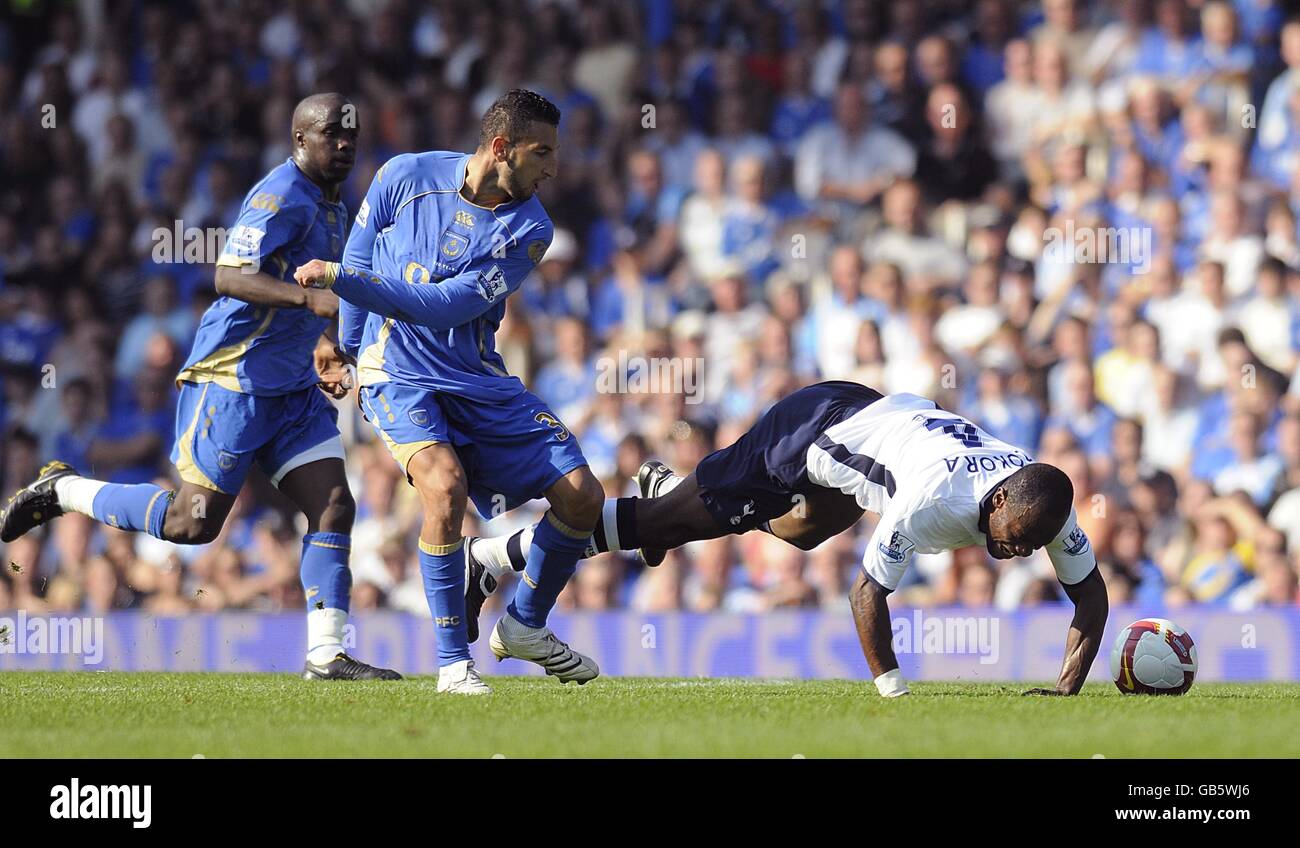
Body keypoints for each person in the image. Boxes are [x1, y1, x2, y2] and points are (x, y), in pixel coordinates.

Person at [0, 94, 400, 682]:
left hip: (289, 389)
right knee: (192, 524)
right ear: (298, 140)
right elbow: (228, 275)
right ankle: (64, 490)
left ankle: (325, 655)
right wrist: (308, 298)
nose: (344, 145)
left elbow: (308, 299)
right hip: (232, 378)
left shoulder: (337, 206)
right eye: (330, 136)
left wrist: (322, 345)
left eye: (351, 136)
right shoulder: (280, 194)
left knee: (334, 504)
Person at [470, 381, 1108, 697]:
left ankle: (664, 492)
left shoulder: (1042, 503)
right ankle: (491, 556)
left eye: (1030, 545)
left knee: (803, 534)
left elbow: (1092, 597)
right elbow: (866, 594)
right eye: (1015, 538)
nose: (1019, 552)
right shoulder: (935, 500)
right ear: (998, 501)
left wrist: (1065, 690)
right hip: (812, 432)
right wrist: (895, 693)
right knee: (673, 524)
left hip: (870, 426)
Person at [294, 89, 604, 694]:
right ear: (499, 148)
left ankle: (523, 625)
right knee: (444, 488)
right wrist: (348, 350)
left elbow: (447, 306)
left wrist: (338, 279)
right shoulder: (403, 175)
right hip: (398, 375)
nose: (553, 168)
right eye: (541, 152)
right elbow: (360, 252)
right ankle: (453, 666)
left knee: (581, 495)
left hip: (474, 377)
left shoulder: (531, 229)